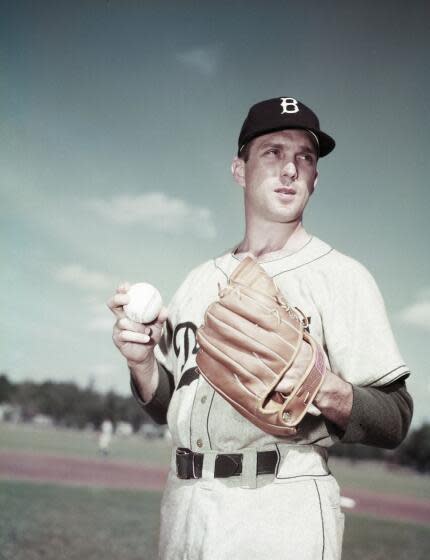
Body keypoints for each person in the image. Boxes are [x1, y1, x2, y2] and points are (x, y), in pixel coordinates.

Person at [108, 97, 413, 559]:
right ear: (239, 170)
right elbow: (174, 406)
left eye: (304, 157)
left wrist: (324, 388)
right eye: (273, 152)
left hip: (279, 507)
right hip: (185, 506)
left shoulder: (342, 277)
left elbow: (396, 418)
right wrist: (144, 363)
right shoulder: (196, 282)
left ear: (315, 177)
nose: (290, 168)